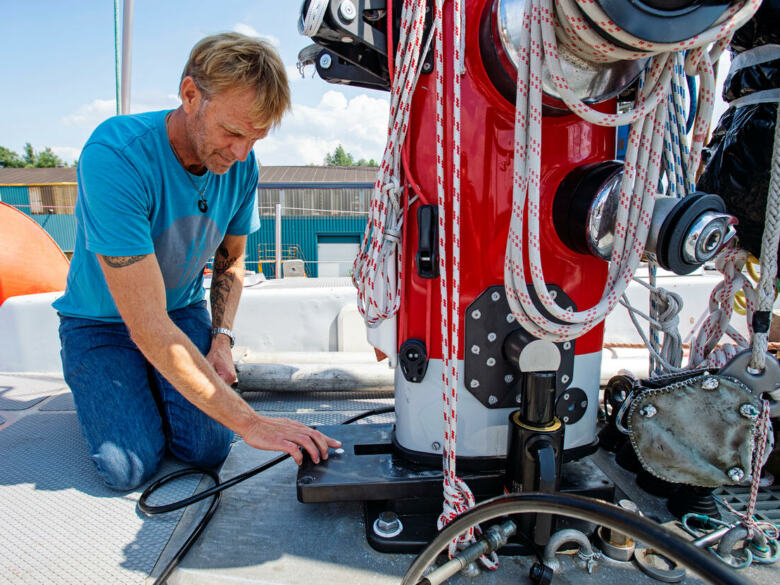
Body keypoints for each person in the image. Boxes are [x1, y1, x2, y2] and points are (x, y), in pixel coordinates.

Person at [54, 32, 340, 491]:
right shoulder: (114, 156)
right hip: (100, 323)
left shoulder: (243, 165)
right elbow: (147, 325)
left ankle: (155, 381)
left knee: (208, 448)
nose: (241, 153)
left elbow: (231, 262)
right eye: (232, 132)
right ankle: (106, 379)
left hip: (180, 311)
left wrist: (222, 340)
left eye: (255, 138)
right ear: (190, 95)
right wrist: (250, 423)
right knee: (127, 467)